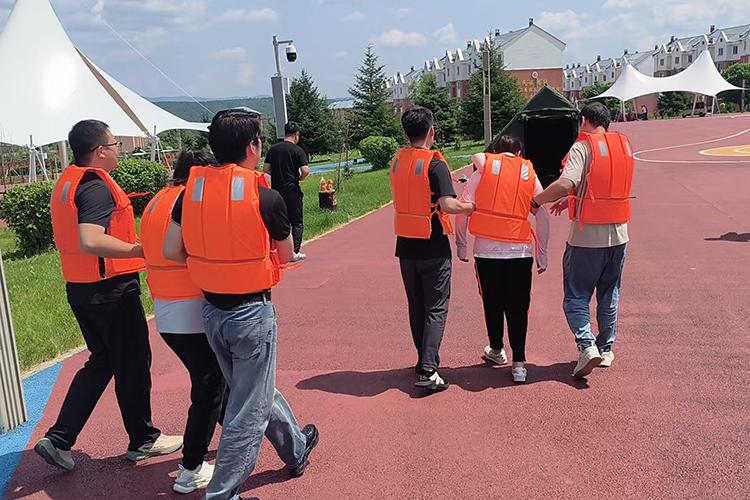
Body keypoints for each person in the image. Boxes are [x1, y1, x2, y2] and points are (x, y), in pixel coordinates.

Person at [163, 109, 319, 500]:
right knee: (247, 409)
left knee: (253, 390)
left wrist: (211, 261)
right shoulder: (266, 197)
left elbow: (171, 250)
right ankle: (223, 493)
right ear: (253, 147)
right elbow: (286, 254)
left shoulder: (189, 194)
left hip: (212, 312)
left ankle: (295, 447)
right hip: (251, 313)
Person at [36, 120, 182, 471]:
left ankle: (59, 438)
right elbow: (90, 238)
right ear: (100, 151)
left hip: (81, 286)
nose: (119, 150)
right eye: (115, 144)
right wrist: (139, 250)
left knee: (103, 360)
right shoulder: (95, 186)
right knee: (132, 362)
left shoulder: (69, 180)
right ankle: (143, 439)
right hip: (110, 289)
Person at [141, 150, 226, 494]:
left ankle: (242, 431)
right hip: (191, 307)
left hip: (165, 309)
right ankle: (191, 467)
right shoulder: (192, 200)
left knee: (214, 382)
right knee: (210, 386)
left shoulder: (158, 200)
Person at [531, 103, 634, 379]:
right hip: (619, 234)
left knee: (576, 295)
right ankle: (606, 347)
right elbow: (605, 187)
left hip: (587, 237)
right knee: (609, 293)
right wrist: (571, 201)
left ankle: (586, 345)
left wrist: (537, 200)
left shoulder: (582, 147)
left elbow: (567, 182)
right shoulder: (623, 146)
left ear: (584, 120)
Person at [389, 106, 474, 391]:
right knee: (436, 307)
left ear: (405, 134)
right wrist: (469, 207)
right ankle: (429, 368)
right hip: (433, 246)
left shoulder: (397, 162)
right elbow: (448, 204)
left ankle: (423, 359)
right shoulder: (435, 165)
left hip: (405, 246)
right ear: (432, 132)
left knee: (416, 306)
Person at [455, 136, 549, 384]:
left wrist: (462, 246)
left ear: (495, 153)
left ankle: (497, 350)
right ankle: (519, 363)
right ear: (518, 153)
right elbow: (541, 214)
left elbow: (463, 209)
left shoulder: (481, 172)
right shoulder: (528, 173)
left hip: (486, 252)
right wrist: (542, 254)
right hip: (520, 251)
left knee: (492, 303)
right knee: (519, 307)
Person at [264, 121, 310, 262]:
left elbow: (266, 169)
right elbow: (305, 170)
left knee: (278, 221)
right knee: (296, 221)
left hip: (276, 191)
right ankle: (294, 252)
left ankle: (275, 251)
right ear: (296, 135)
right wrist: (300, 178)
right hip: (292, 190)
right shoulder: (298, 150)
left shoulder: (273, 149)